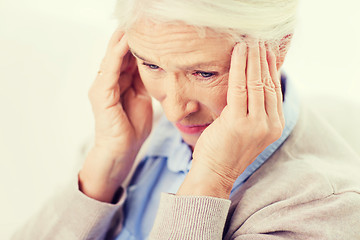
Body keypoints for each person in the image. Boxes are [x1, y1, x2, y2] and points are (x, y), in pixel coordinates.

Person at [12, 0, 360, 239]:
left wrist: (210, 181)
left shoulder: (324, 207)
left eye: (204, 73)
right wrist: (105, 168)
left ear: (278, 47)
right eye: (151, 64)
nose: (176, 109)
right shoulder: (135, 137)